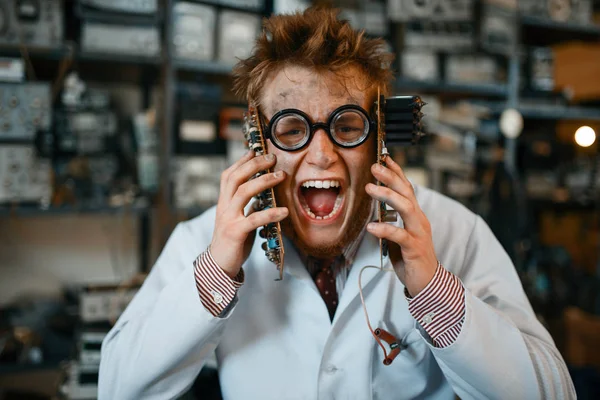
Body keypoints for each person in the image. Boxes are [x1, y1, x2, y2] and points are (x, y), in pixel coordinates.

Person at [98, 7, 575, 400]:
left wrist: (434, 291)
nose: (322, 154)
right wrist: (215, 279)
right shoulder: (205, 241)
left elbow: (552, 394)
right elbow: (118, 389)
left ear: (379, 138)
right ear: (257, 142)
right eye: (291, 128)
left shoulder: (454, 231)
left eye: (347, 127)